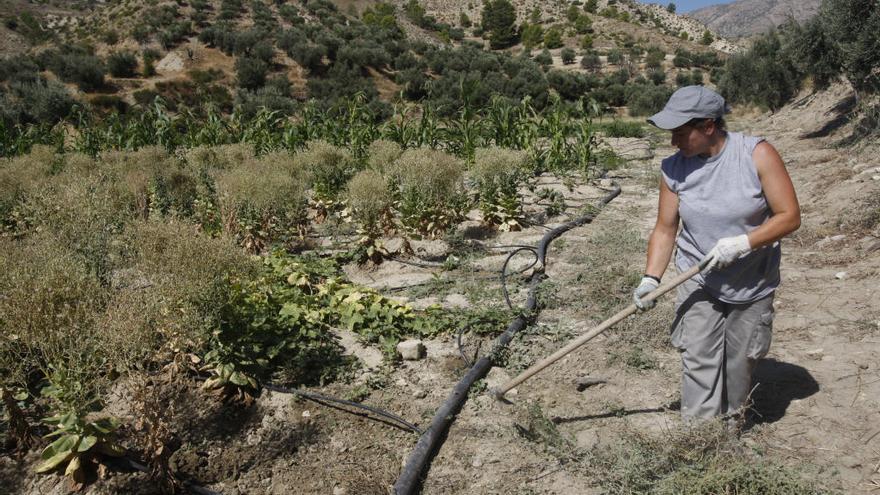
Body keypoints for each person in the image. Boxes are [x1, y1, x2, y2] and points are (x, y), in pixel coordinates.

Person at [632, 86, 801, 422]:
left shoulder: (757, 154)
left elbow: (789, 216)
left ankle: (730, 430)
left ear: (708, 126)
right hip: (697, 277)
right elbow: (665, 229)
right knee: (699, 357)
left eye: (681, 133)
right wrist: (651, 278)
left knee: (739, 363)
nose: (673, 142)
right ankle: (700, 437)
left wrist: (742, 243)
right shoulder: (673, 168)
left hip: (751, 281)